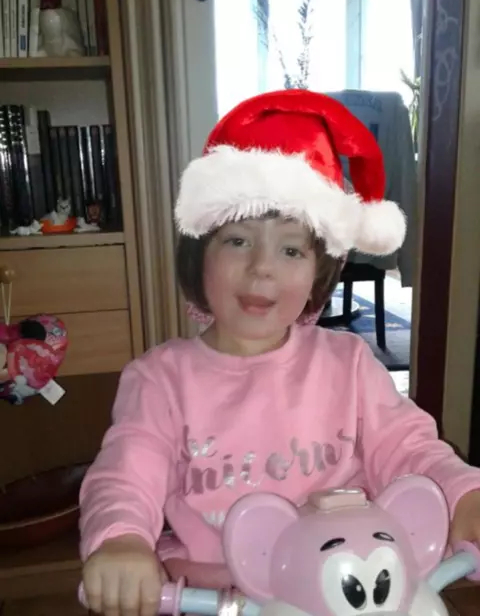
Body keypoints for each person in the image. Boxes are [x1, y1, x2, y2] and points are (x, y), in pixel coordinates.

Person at [79, 90, 480, 616]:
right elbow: (127, 472)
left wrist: (464, 493)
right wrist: (120, 538)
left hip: (346, 591)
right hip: (218, 598)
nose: (262, 268)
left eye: (291, 249)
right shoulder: (161, 379)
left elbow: (410, 448)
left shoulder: (348, 364)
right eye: (238, 241)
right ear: (199, 255)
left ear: (319, 272)